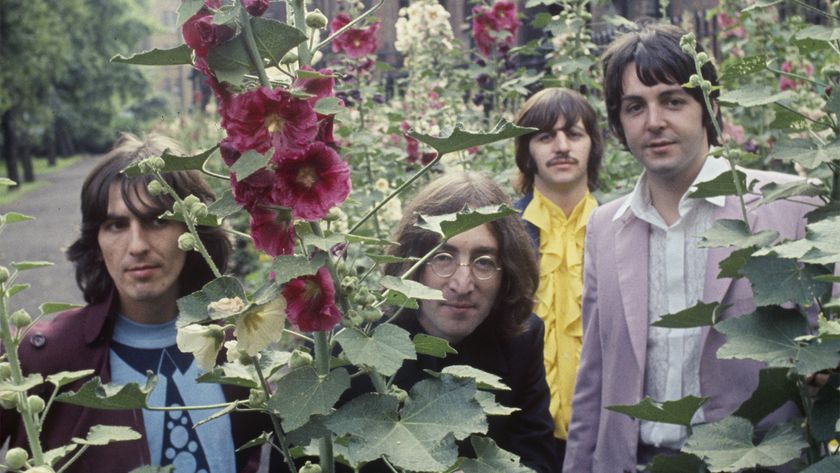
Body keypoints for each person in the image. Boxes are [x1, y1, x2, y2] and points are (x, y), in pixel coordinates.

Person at [563, 22, 816, 472]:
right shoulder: (605, 226)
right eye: (635, 107)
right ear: (619, 124)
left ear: (710, 109)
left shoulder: (789, 206)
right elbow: (594, 377)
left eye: (673, 101)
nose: (654, 121)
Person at [0, 134, 264, 473]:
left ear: (192, 232)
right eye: (116, 225)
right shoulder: (41, 356)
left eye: (157, 221)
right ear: (96, 242)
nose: (137, 245)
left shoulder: (236, 349)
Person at [356, 171, 559, 472]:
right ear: (412, 264)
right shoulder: (356, 347)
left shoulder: (521, 340)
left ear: (507, 272)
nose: (462, 284)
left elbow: (535, 459)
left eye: (484, 262)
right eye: (443, 257)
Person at [512, 87, 603, 459]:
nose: (562, 146)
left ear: (593, 145)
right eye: (546, 136)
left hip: (605, 431)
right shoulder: (504, 233)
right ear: (526, 151)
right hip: (522, 435)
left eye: (574, 134)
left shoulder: (622, 229)